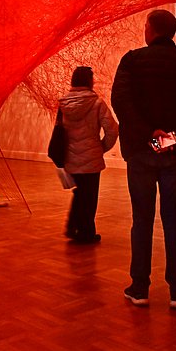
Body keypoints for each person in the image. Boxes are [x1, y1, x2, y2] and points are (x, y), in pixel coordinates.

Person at [111, 9, 176, 309]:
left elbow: (121, 102)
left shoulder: (132, 60)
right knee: (173, 221)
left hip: (142, 152)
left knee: (141, 220)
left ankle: (139, 287)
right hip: (175, 151)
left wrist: (150, 136)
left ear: (151, 30)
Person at [59, 66, 119, 244]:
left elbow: (59, 132)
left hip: (70, 157)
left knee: (79, 193)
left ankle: (74, 227)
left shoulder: (63, 104)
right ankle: (86, 232)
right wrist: (101, 148)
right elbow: (113, 130)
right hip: (91, 159)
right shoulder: (97, 103)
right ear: (88, 81)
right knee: (90, 196)